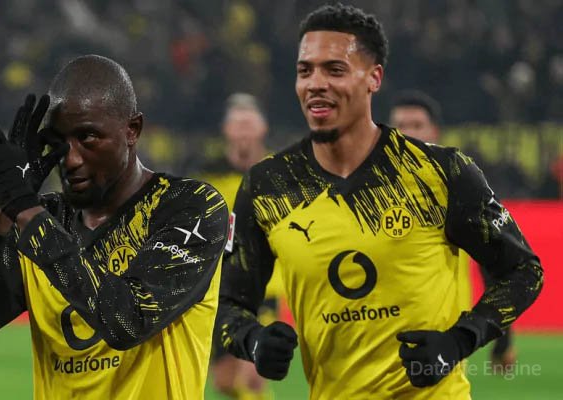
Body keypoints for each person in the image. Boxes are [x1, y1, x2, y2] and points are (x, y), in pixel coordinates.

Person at [217, 4, 544, 399]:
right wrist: (253, 341)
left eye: (334, 70)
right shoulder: (267, 187)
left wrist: (460, 340)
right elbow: (228, 304)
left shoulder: (440, 172)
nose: (315, 83)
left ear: (374, 78)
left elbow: (523, 271)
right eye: (305, 71)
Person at [0, 55, 229, 399]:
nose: (70, 159)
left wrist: (26, 209)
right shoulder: (43, 219)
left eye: (88, 137)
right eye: (59, 142)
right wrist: (2, 207)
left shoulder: (188, 207)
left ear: (132, 130)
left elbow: (128, 321)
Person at [390, 90, 518, 370]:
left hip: (439, 346)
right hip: (374, 342)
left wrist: (502, 336)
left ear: (434, 131)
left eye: (416, 125)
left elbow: (496, 264)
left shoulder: (457, 190)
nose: (408, 133)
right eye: (400, 126)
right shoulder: (368, 192)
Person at [199, 93, 277, 400]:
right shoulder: (209, 174)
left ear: (262, 129)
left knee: (252, 374)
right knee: (225, 382)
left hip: (266, 288)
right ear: (226, 130)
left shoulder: (277, 171)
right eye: (238, 124)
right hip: (222, 287)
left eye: (249, 124)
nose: (244, 131)